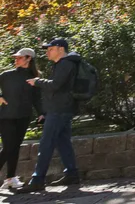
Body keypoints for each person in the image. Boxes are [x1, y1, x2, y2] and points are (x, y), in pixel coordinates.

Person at [19, 39, 80, 192]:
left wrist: (37, 81)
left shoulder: (65, 64)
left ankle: (38, 180)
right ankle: (72, 174)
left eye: (50, 49)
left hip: (59, 110)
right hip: (63, 108)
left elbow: (55, 85)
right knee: (63, 141)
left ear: (60, 49)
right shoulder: (64, 63)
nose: (47, 52)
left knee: (46, 143)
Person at [0, 49, 38, 190]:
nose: (16, 59)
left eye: (19, 57)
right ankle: (10, 178)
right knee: (9, 147)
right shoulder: (6, 75)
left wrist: (42, 113)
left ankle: (10, 178)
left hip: (24, 117)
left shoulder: (34, 77)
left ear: (28, 59)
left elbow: (36, 98)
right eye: (15, 57)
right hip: (6, 116)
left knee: (13, 148)